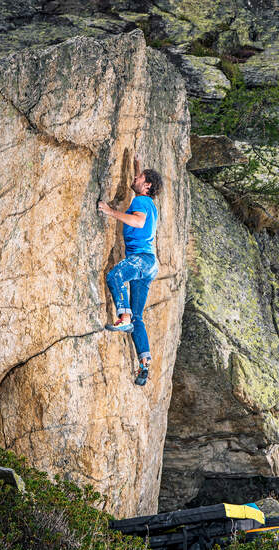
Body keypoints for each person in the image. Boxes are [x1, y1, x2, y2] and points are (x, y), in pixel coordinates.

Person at [98, 154, 162, 386]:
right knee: (139, 318)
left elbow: (137, 222)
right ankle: (144, 365)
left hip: (141, 259)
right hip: (150, 265)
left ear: (147, 186)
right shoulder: (149, 201)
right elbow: (140, 182)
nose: (135, 177)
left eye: (140, 176)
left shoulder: (141, 202)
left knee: (114, 275)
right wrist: (137, 164)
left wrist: (109, 211)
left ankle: (122, 316)